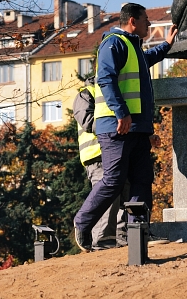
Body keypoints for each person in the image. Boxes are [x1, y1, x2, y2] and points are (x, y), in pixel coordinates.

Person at [73, 3, 177, 252]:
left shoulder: (132, 47)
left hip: (137, 128)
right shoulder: (113, 43)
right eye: (146, 20)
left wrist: (167, 46)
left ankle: (137, 233)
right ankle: (83, 222)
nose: (149, 25)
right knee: (113, 180)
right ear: (132, 21)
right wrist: (122, 113)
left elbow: (147, 59)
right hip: (117, 127)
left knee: (142, 180)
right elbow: (106, 79)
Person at [73, 82, 128, 249]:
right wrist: (115, 127)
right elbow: (87, 121)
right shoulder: (86, 93)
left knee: (124, 194)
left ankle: (122, 239)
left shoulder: (116, 91)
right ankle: (103, 241)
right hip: (96, 155)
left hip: (116, 153)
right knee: (107, 198)